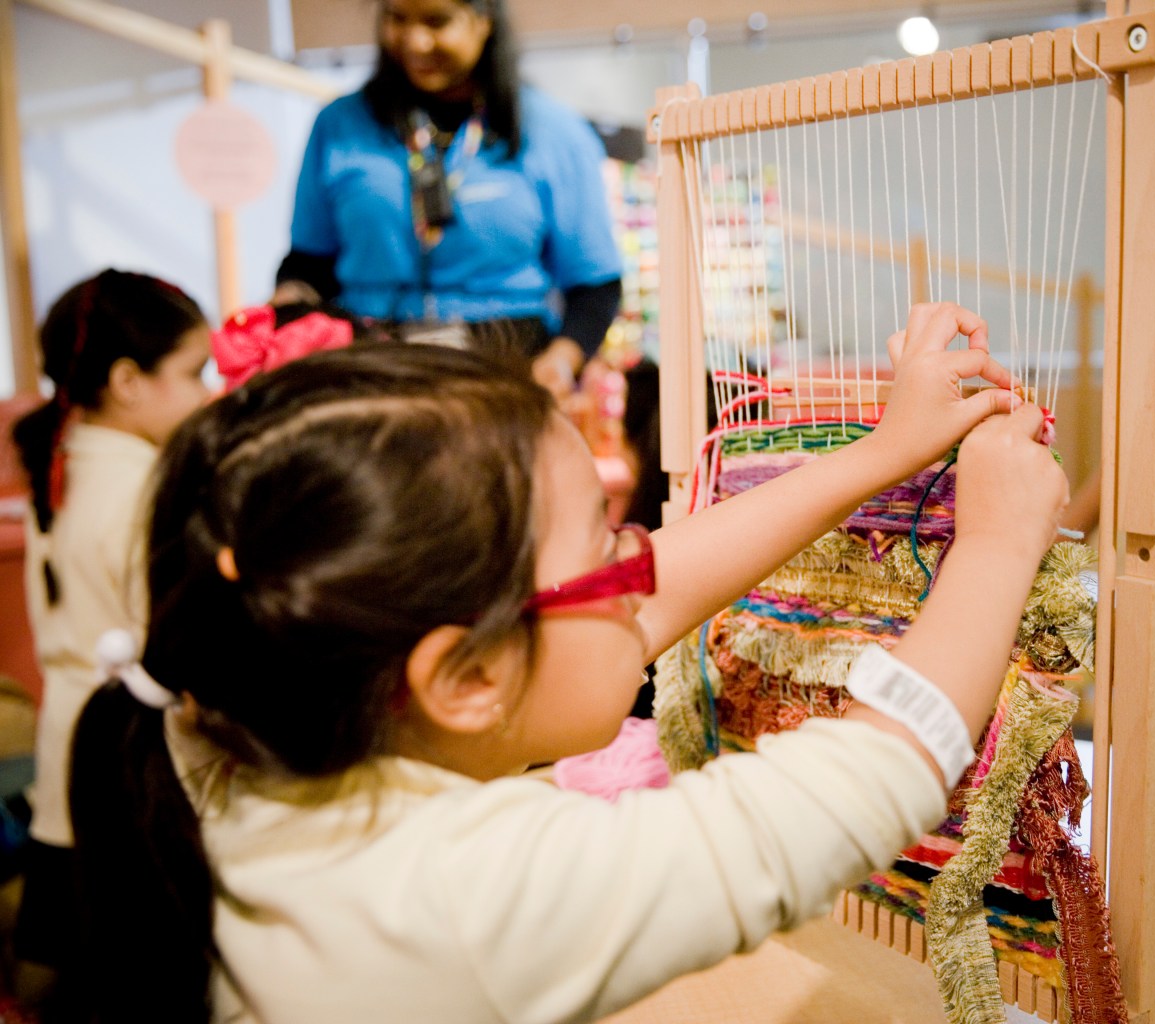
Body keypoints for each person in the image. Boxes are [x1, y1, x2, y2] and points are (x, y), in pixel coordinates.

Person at [66, 303, 1068, 1023]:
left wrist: (887, 448)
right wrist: (994, 543)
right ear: (464, 680)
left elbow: (641, 595)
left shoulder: (254, 728)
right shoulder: (454, 899)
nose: (640, 563)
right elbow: (856, 785)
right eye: (606, 545)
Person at [8, 269, 210, 1009]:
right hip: (130, 759)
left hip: (69, 739)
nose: (208, 392)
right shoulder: (144, 490)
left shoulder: (62, 471)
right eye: (194, 373)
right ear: (127, 380)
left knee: (53, 943)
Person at [272, 0, 622, 398]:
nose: (415, 41)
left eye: (437, 22)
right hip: (369, 369)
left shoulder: (552, 131)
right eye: (397, 18)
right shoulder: (339, 127)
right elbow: (309, 263)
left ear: (483, 19)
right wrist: (287, 309)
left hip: (505, 369)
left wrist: (560, 361)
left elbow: (595, 284)